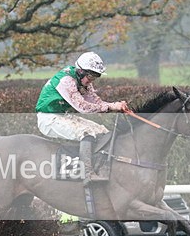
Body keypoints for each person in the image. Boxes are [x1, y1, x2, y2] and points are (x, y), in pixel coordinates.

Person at [35, 52, 130, 186]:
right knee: (86, 132)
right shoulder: (66, 80)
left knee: (102, 131)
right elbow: (83, 107)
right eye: (90, 76)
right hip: (48, 119)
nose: (91, 80)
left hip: (63, 116)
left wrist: (116, 106)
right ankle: (88, 174)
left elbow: (97, 102)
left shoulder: (84, 81)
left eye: (95, 77)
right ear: (80, 71)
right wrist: (111, 107)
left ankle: (102, 168)